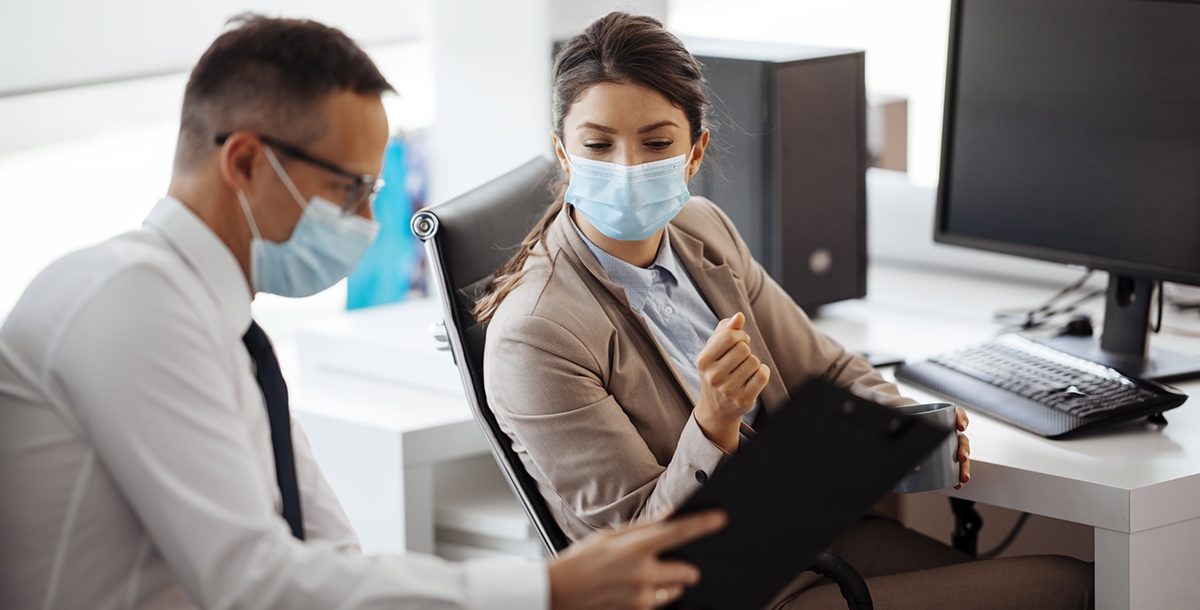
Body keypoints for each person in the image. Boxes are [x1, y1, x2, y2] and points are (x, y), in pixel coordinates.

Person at [0, 15, 727, 610]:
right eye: (351, 190)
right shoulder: (129, 305)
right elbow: (254, 584)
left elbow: (330, 557)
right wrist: (543, 589)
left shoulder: (224, 330)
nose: (370, 216)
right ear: (247, 163)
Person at [480, 11, 1093, 609]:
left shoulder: (703, 229)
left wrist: (904, 424)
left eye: (657, 142)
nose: (628, 167)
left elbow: (822, 368)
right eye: (598, 143)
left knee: (1082, 581)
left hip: (803, 538)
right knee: (1074, 586)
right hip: (717, 590)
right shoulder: (534, 334)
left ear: (694, 154)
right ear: (563, 152)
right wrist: (715, 421)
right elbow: (640, 554)